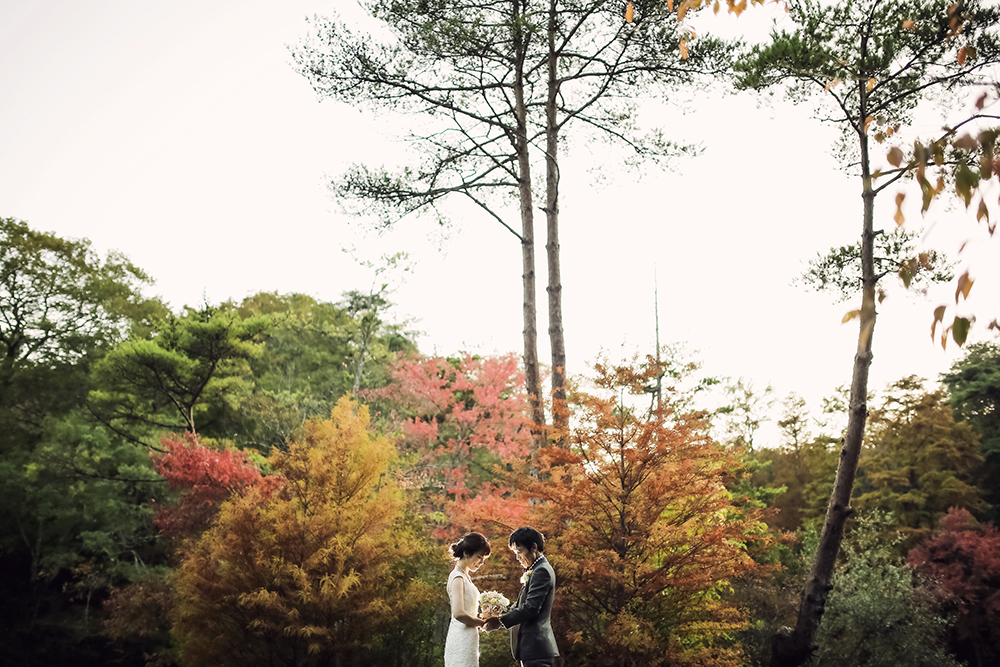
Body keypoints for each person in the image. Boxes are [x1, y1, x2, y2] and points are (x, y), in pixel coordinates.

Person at [483, 526, 559, 667]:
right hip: (532, 649)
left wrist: (500, 621)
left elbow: (531, 608)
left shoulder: (541, 571)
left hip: (536, 648)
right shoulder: (536, 569)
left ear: (534, 547)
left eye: (519, 551)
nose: (517, 557)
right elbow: (520, 604)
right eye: (514, 552)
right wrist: (496, 612)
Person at [444, 532, 492, 667]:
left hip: (469, 636)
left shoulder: (466, 577)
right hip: (461, 636)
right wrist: (482, 623)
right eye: (479, 557)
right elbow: (458, 613)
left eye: (483, 559)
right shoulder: (457, 577)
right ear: (466, 553)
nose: (481, 562)